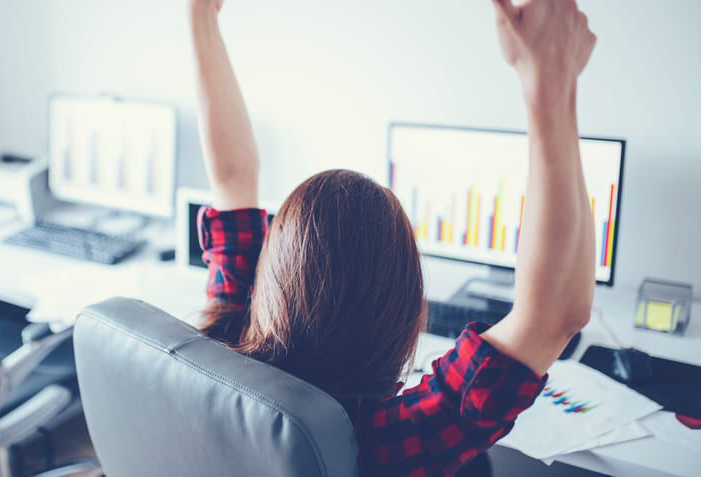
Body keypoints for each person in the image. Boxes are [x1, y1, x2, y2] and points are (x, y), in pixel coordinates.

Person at [189, 0, 597, 475]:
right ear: (405, 314)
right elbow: (555, 317)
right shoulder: (377, 444)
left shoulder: (216, 351)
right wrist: (552, 79)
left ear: (271, 273)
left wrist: (198, 13)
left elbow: (233, 177)